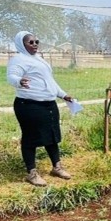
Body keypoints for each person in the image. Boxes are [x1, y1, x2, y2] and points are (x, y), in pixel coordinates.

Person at [6, 31, 74, 186]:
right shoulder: (18, 60)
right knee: (30, 138)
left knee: (52, 136)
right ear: (21, 44)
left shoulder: (39, 60)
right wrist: (19, 81)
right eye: (31, 42)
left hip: (48, 104)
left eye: (37, 41)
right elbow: (11, 76)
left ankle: (57, 167)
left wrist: (63, 95)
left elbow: (50, 82)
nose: (35, 44)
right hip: (29, 105)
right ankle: (32, 173)